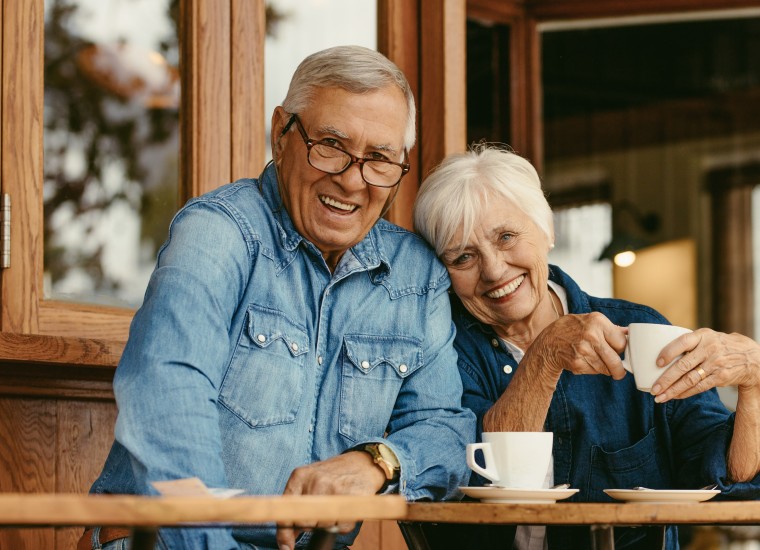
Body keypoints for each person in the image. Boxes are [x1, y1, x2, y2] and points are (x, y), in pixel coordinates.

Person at [80, 45, 475, 550]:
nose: (353, 180)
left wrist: (378, 460)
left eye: (379, 159)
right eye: (331, 144)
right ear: (281, 133)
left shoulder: (416, 275)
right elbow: (168, 403)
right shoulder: (217, 235)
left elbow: (446, 427)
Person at [412, 143, 760, 549]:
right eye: (463, 258)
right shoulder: (440, 352)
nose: (493, 269)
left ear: (547, 231)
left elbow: (730, 479)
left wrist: (753, 382)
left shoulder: (639, 331)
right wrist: (544, 355)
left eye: (506, 237)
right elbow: (477, 482)